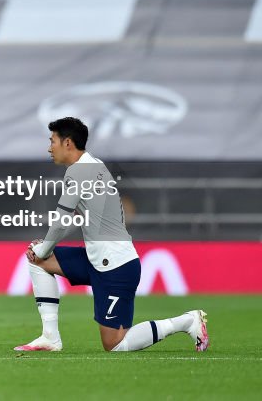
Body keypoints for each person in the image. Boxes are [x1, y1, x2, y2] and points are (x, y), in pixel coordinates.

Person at [15, 116, 209, 353]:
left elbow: (61, 220)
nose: (49, 147)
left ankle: (186, 321)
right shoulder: (96, 165)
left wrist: (44, 247)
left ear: (67, 143)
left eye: (52, 140)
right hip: (100, 259)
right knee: (39, 261)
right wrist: (44, 248)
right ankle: (50, 337)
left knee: (114, 344)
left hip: (115, 266)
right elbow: (80, 217)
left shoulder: (78, 173)